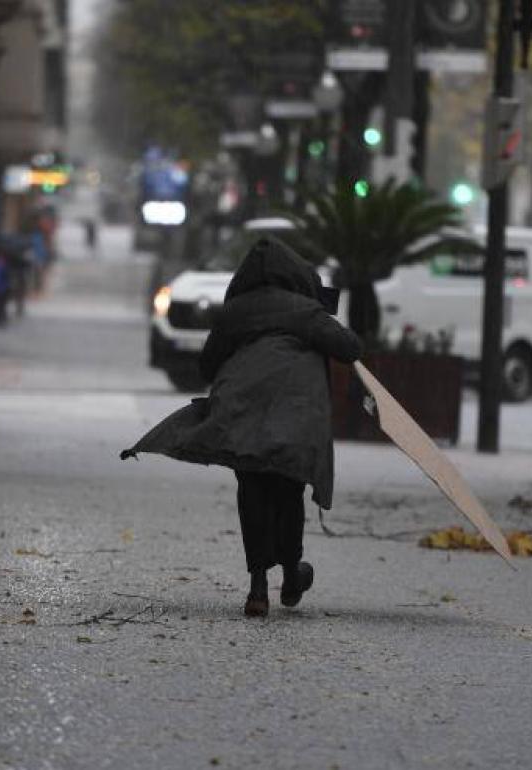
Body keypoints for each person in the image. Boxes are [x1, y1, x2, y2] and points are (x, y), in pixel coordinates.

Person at [121, 236, 361, 617]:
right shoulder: (306, 312)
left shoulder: (235, 312)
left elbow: (207, 365)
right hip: (293, 418)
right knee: (287, 490)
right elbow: (350, 348)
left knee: (253, 490)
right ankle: (291, 575)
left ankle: (258, 589)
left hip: (241, 416)